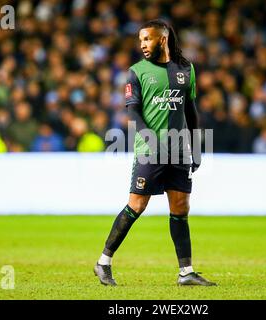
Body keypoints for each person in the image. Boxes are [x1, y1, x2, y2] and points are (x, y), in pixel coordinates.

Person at [94, 19, 216, 286]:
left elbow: (191, 111)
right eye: (140, 41)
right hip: (150, 151)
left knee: (181, 208)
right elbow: (133, 112)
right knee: (136, 205)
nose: (143, 45)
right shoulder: (137, 72)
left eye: (147, 39)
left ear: (163, 39)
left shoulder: (186, 69)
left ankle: (186, 272)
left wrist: (195, 147)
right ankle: (103, 262)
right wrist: (151, 141)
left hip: (179, 151)